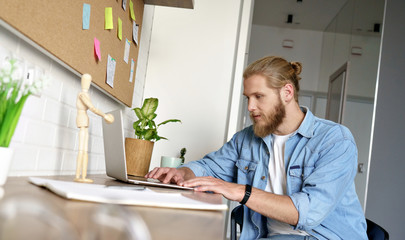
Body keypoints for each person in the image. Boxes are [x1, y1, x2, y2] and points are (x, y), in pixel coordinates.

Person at [146, 56, 367, 239]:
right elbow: (209, 168)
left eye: (259, 96)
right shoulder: (247, 139)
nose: (251, 107)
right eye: (248, 98)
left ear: (287, 93)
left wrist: (240, 191)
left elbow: (307, 213)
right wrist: (182, 172)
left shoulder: (335, 140)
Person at [75, 74, 114, 183]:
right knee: (82, 149)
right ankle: (79, 176)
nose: (87, 83)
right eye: (85, 80)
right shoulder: (82, 95)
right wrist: (104, 116)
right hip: (82, 119)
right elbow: (92, 108)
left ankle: (82, 176)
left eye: (88, 81)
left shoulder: (84, 94)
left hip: (84, 119)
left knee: (84, 149)